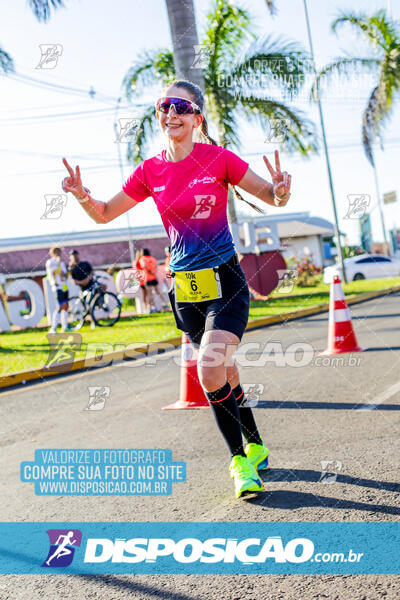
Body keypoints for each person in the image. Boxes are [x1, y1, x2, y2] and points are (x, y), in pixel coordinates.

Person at [61, 79, 291, 498]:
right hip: (184, 290)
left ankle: (239, 461)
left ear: (197, 118)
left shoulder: (219, 160)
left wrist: (280, 188)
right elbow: (105, 213)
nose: (171, 113)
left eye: (181, 107)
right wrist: (81, 196)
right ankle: (256, 444)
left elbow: (271, 197)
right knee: (226, 371)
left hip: (225, 282)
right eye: (164, 106)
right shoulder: (151, 170)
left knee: (208, 368)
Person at [45, 246, 70, 333]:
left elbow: (64, 275)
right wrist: (57, 262)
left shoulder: (62, 263)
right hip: (57, 286)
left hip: (64, 286)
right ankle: (54, 327)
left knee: (66, 306)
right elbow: (52, 272)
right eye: (57, 252)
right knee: (60, 306)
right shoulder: (50, 262)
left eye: (60, 252)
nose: (59, 254)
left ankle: (65, 326)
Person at [138, 248, 169, 313]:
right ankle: (165, 304)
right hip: (154, 277)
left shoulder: (142, 259)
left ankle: (153, 307)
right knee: (158, 291)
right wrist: (153, 272)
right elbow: (156, 267)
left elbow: (143, 266)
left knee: (149, 294)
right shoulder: (153, 259)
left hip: (147, 278)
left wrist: (149, 271)